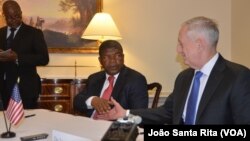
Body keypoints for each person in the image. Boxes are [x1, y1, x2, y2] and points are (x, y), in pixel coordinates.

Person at [97, 16, 250, 124]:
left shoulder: (238, 77)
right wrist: (126, 113)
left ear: (199, 44)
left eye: (181, 44)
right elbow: (167, 112)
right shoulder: (184, 77)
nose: (178, 50)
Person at [73, 40, 148, 118]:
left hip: (116, 128)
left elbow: (139, 115)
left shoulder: (136, 79)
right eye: (106, 57)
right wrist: (92, 100)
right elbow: (77, 101)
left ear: (123, 57)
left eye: (117, 56)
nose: (113, 61)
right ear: (100, 60)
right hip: (90, 125)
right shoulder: (94, 78)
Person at [0, 0, 49, 109]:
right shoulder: (0, 33)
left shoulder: (34, 33)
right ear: (4, 16)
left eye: (18, 16)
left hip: (25, 88)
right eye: (11, 17)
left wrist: (17, 58)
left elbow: (44, 58)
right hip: (3, 88)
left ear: (21, 13)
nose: (15, 20)